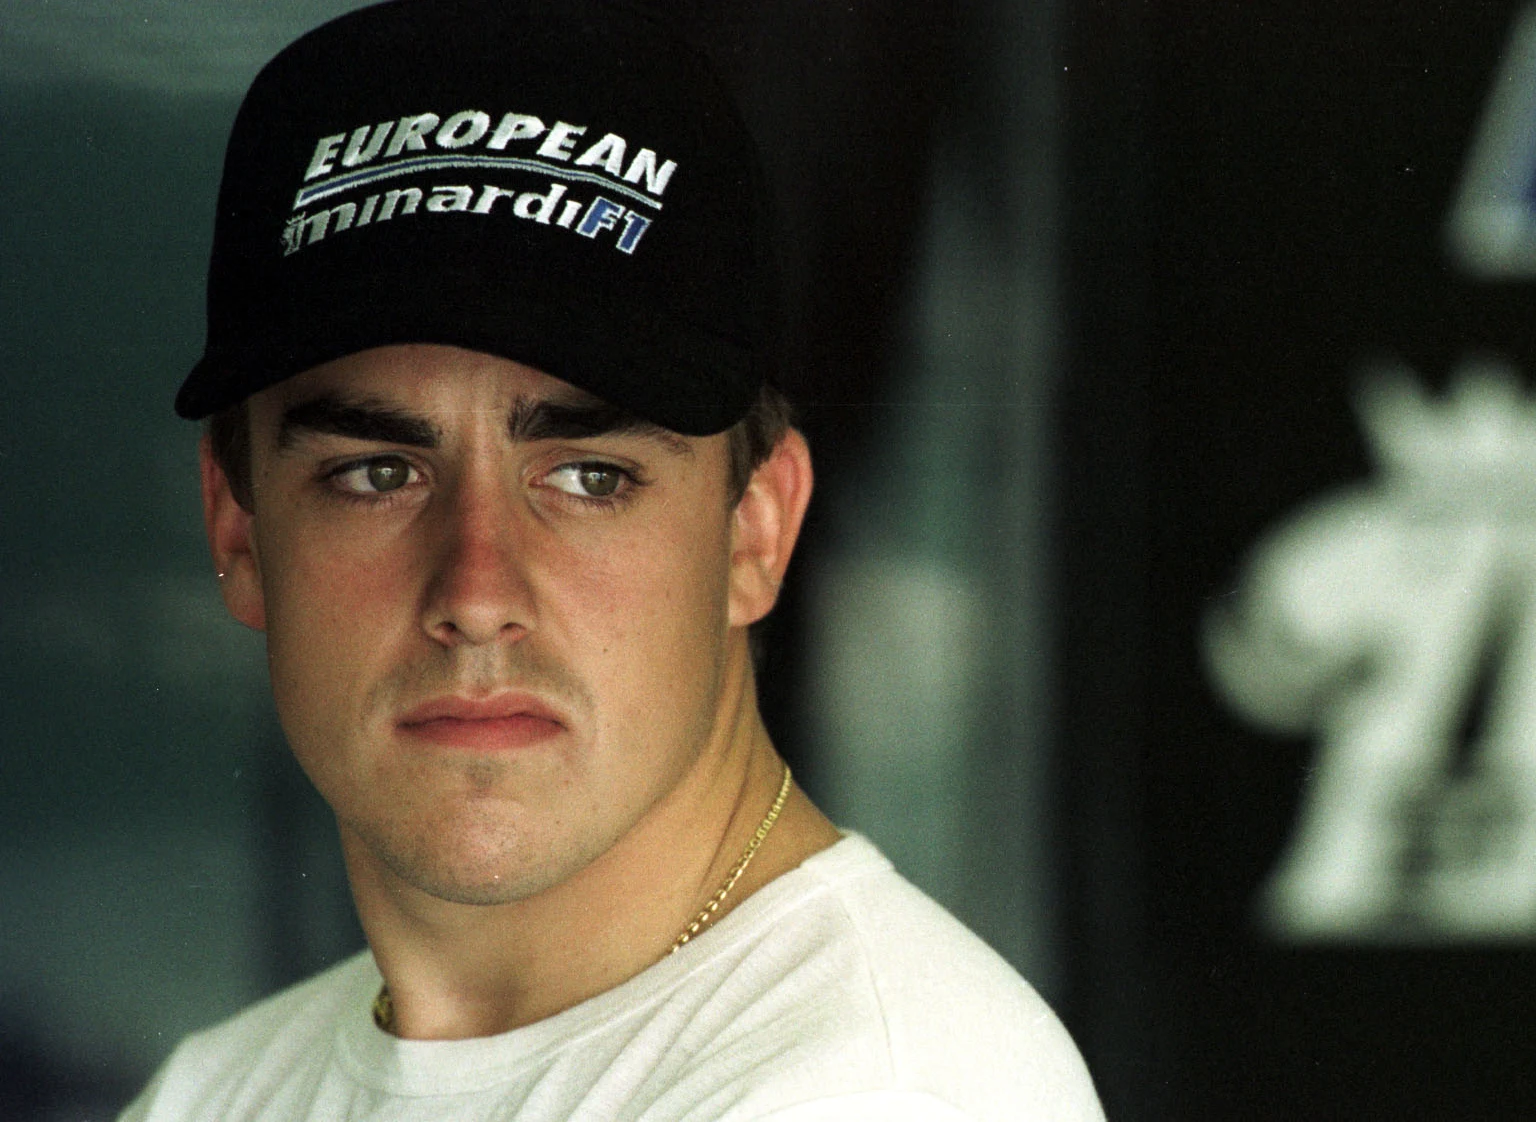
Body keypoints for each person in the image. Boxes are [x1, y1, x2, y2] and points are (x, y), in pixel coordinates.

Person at [119, 1, 1104, 1118]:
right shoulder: (215, 1092)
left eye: (590, 477)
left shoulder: (882, 1085)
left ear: (756, 529)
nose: (478, 595)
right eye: (376, 474)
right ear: (238, 527)